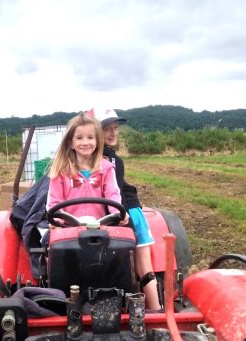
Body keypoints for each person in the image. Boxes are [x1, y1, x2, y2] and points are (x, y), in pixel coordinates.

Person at [87, 108, 161, 311]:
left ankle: (155, 312)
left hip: (127, 213)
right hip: (119, 212)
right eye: (107, 128)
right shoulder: (102, 159)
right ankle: (155, 312)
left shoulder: (110, 161)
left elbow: (113, 194)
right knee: (139, 267)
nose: (113, 133)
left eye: (115, 127)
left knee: (143, 268)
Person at [46, 113, 129, 226]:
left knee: (124, 241)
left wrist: (117, 213)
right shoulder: (61, 170)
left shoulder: (106, 168)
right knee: (48, 241)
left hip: (99, 225)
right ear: (71, 143)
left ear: (97, 141)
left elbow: (113, 194)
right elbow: (54, 201)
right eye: (79, 138)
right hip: (67, 226)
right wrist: (57, 221)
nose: (85, 143)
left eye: (90, 138)